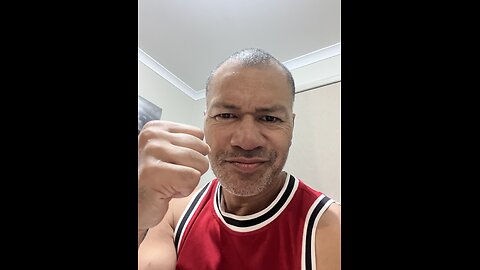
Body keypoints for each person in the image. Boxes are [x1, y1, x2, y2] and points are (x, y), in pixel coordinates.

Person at [138, 48, 341, 270]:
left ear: (291, 126)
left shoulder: (331, 228)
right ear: (205, 121)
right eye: (226, 115)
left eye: (270, 118)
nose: (246, 140)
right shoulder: (172, 211)